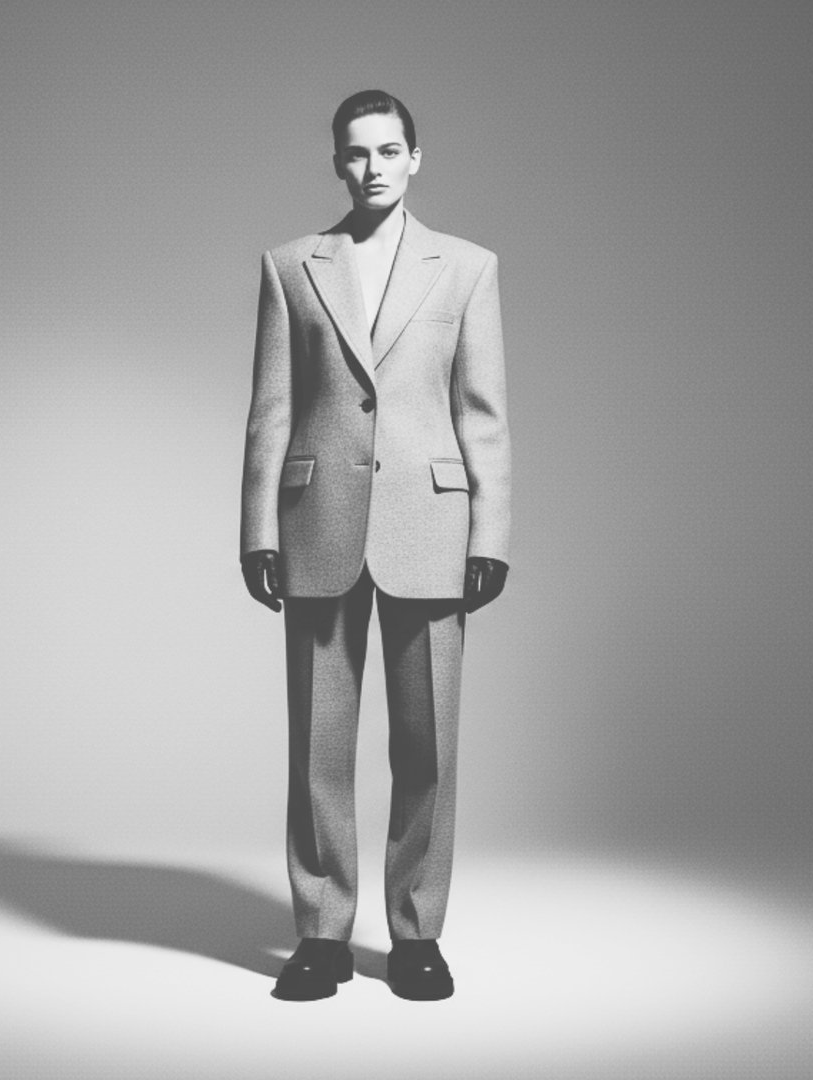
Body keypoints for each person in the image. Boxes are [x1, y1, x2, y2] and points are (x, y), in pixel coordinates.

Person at [240, 89, 510, 1001]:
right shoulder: (291, 267)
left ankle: (416, 934)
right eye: (356, 155)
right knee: (319, 743)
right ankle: (320, 931)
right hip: (316, 523)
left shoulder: (467, 268)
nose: (374, 169)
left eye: (389, 151)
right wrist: (255, 530)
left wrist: (492, 532)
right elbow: (271, 409)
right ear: (336, 163)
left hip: (432, 524)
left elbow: (484, 413)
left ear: (416, 157)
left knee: (427, 741)